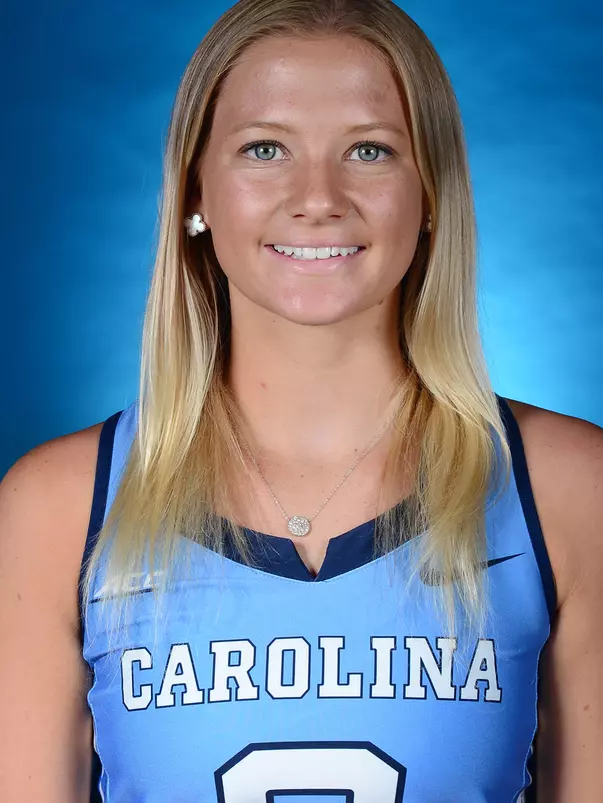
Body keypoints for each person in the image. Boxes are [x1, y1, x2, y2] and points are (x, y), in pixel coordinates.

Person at [1, 0, 602, 800]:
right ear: (195, 192)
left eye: (368, 149)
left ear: (430, 193)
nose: (317, 196)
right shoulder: (59, 506)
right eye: (264, 148)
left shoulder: (566, 488)